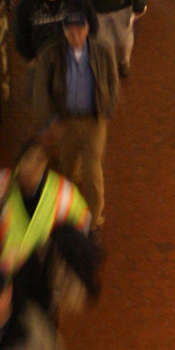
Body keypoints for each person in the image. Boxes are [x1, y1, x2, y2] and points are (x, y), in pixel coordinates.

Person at [0, 137, 91, 314]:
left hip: (42, 279)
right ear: (18, 162)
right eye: (28, 158)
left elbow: (84, 221)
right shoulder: (0, 184)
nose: (34, 166)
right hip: (3, 279)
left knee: (42, 324)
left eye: (40, 160)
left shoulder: (63, 193)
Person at [33, 13, 119, 231]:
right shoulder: (53, 54)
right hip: (67, 120)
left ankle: (93, 218)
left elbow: (112, 81)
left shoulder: (102, 51)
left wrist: (107, 110)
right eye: (71, 31)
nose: (76, 35)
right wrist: (49, 121)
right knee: (67, 168)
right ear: (64, 32)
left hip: (94, 120)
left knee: (93, 171)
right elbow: (42, 89)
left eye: (80, 30)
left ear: (87, 29)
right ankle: (67, 208)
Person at [13, 0, 97, 65]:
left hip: (71, 58)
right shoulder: (28, 3)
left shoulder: (77, 0)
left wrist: (86, 50)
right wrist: (30, 58)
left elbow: (92, 23)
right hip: (42, 60)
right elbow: (20, 31)